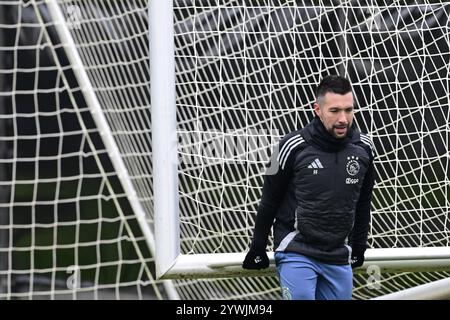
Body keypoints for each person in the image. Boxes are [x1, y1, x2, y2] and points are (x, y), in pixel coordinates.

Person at [242, 75, 375, 300]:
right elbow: (269, 200)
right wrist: (258, 247)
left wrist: (359, 246)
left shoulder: (365, 147)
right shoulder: (290, 145)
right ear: (317, 109)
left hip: (337, 253)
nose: (343, 118)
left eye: (349, 110)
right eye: (334, 111)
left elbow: (363, 201)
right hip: (297, 249)